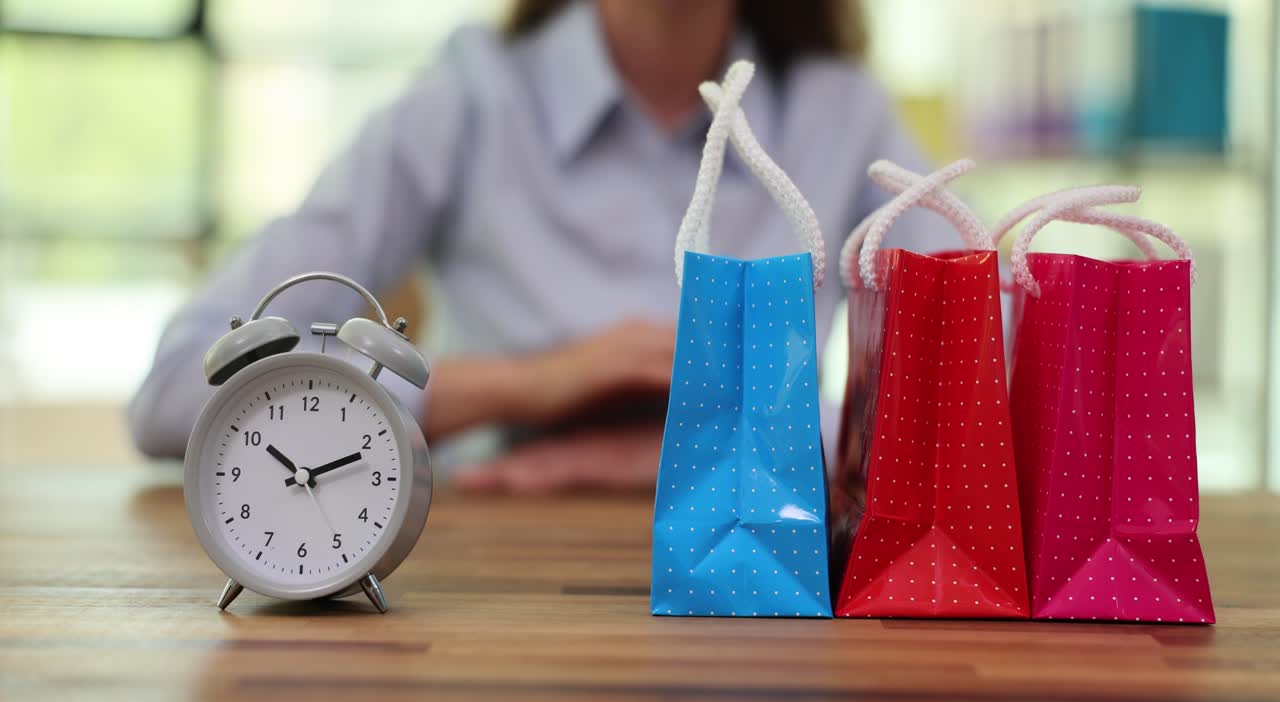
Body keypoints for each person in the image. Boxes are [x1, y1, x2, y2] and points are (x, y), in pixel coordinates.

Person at [129, 0, 954, 492]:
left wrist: (731, 447)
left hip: (762, 614)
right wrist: (520, 389)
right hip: (487, 589)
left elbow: (981, 409)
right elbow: (178, 385)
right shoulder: (468, 100)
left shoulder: (845, 116)